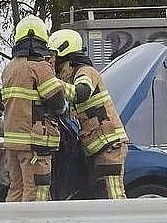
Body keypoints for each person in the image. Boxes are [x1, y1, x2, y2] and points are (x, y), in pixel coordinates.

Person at [48, 29, 129, 199]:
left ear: (67, 57)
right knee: (99, 197)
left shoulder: (86, 72)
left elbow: (82, 92)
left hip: (109, 146)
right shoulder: (71, 77)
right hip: (97, 149)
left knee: (114, 196)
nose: (54, 64)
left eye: (56, 60)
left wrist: (52, 83)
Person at [2, 15, 67, 202]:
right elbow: (57, 103)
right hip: (34, 144)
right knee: (35, 192)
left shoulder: (9, 68)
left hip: (13, 143)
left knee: (16, 189)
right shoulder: (40, 67)